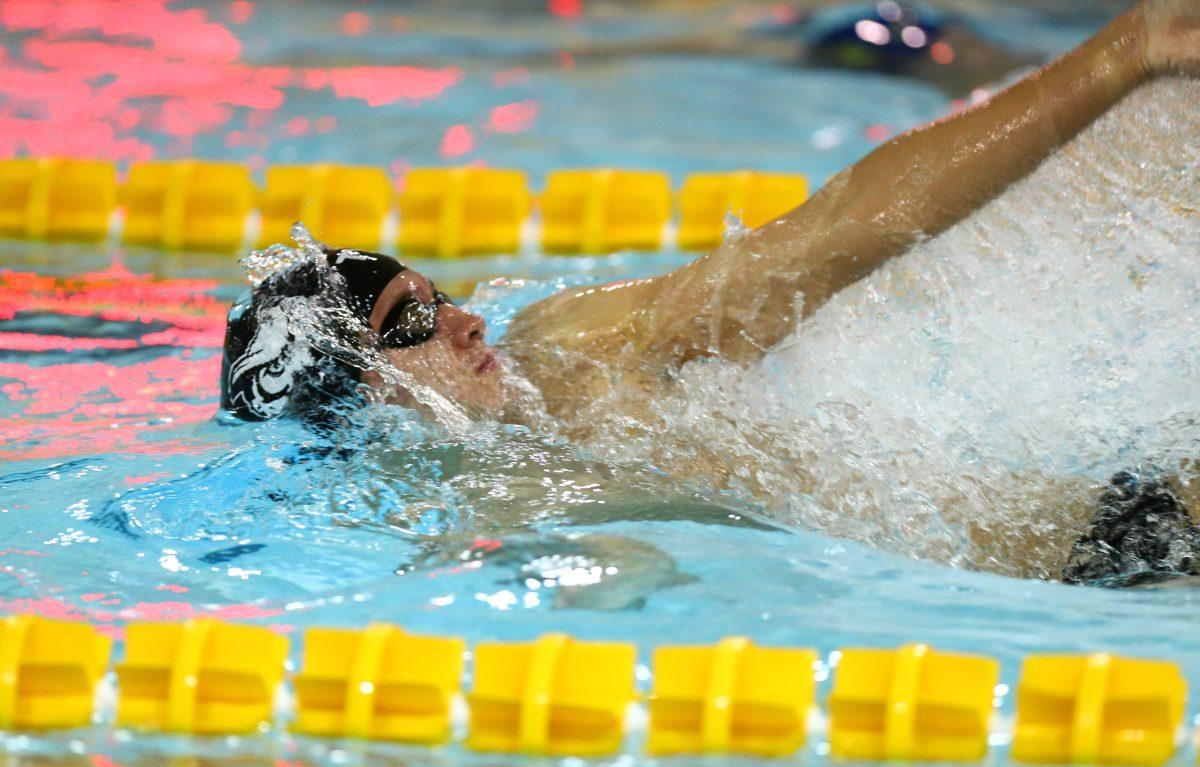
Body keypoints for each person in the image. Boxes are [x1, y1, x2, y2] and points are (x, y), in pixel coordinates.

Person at [220, 0, 1200, 583]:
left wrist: (1125, 52)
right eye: (415, 324)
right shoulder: (442, 537)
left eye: (445, 294)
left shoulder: (579, 355)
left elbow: (835, 235)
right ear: (361, 393)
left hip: (1128, 535)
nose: (470, 320)